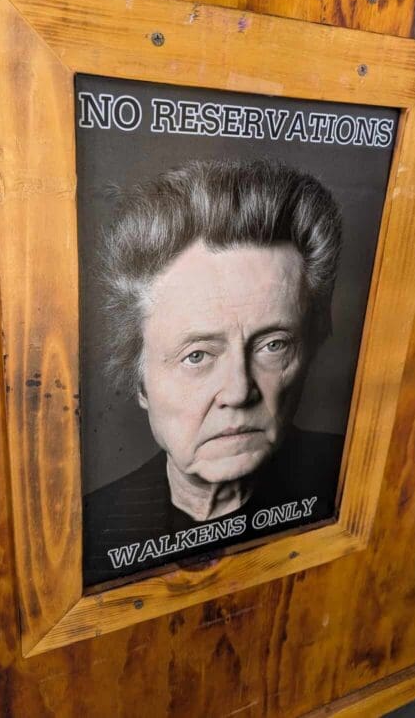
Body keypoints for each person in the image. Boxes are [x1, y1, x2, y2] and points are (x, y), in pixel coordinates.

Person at [83, 159, 345, 584]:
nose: (239, 392)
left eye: (273, 345)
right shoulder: (89, 531)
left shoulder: (350, 480)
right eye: (197, 356)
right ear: (139, 380)